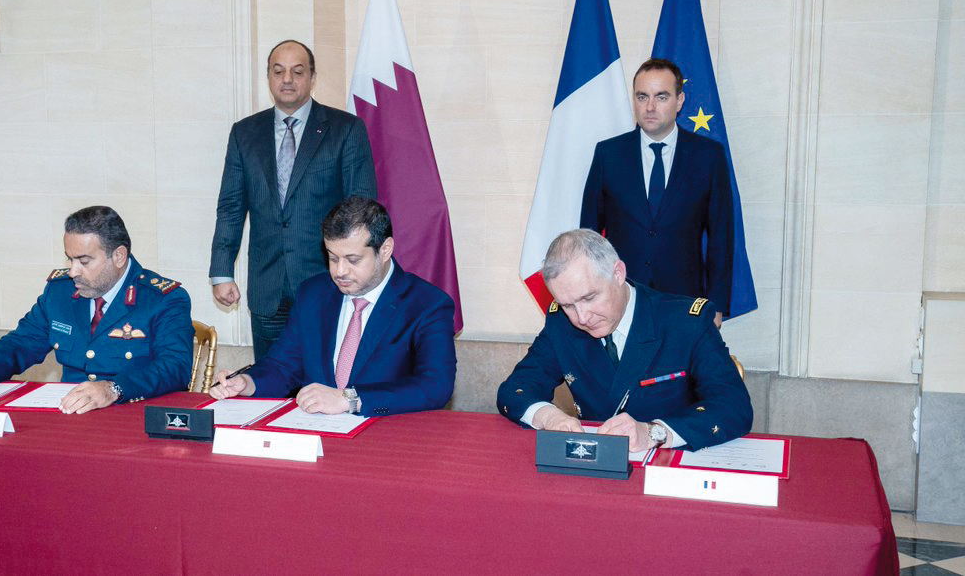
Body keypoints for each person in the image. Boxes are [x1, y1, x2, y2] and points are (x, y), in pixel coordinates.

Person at [497, 229, 751, 452]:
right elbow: (515, 389)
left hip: (669, 470)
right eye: (567, 305)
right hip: (595, 470)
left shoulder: (685, 322)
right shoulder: (561, 324)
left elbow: (733, 406)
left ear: (618, 273)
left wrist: (654, 432)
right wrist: (548, 416)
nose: (582, 317)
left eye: (589, 298)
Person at [209, 196, 455, 417]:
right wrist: (247, 383)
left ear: (385, 249)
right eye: (333, 257)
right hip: (316, 435)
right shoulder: (312, 294)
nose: (340, 271)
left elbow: (435, 386)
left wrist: (350, 399)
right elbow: (282, 366)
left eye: (353, 260)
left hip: (385, 436)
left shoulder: (427, 304)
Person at [0, 206, 193, 414]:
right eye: (70, 259)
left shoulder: (162, 299)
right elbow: (21, 343)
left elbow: (174, 367)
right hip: (70, 414)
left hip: (133, 416)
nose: (73, 271)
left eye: (84, 261)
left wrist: (114, 389)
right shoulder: (60, 292)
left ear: (118, 256)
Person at [210, 40, 377, 361]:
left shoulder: (345, 129)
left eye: (297, 72)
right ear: (269, 77)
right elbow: (230, 207)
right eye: (278, 71)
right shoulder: (244, 133)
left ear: (312, 77)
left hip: (328, 284)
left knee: (322, 379)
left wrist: (357, 272)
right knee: (269, 378)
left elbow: (362, 210)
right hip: (267, 287)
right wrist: (222, 272)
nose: (287, 79)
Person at [580, 57, 733, 325]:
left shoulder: (708, 156)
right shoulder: (608, 155)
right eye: (642, 97)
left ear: (679, 100)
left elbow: (721, 237)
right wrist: (590, 295)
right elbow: (589, 235)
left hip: (684, 302)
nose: (650, 107)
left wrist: (716, 305)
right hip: (621, 299)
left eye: (661, 97)